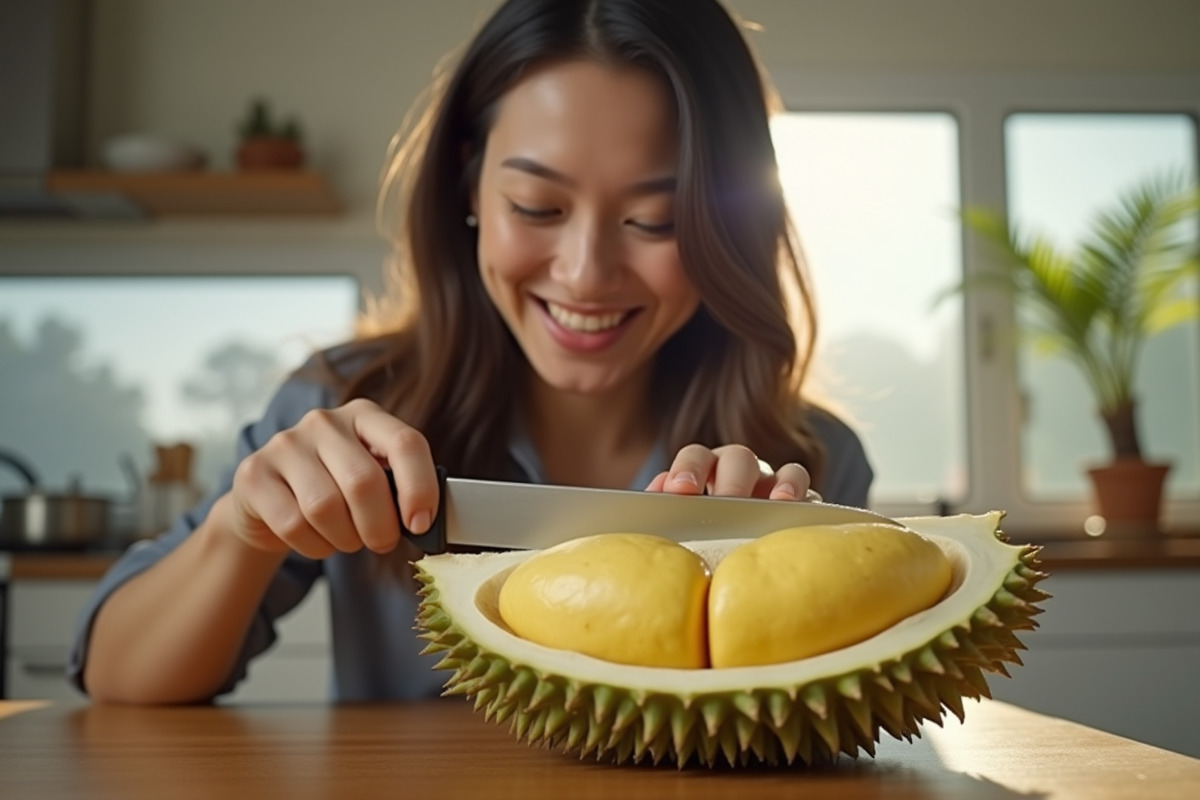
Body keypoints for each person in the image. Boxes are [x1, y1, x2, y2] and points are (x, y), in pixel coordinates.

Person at [70, 0, 873, 705]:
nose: (586, 273)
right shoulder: (341, 408)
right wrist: (240, 533)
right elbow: (115, 675)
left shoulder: (814, 460)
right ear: (467, 187)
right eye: (536, 205)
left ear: (725, 224)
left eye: (654, 220)